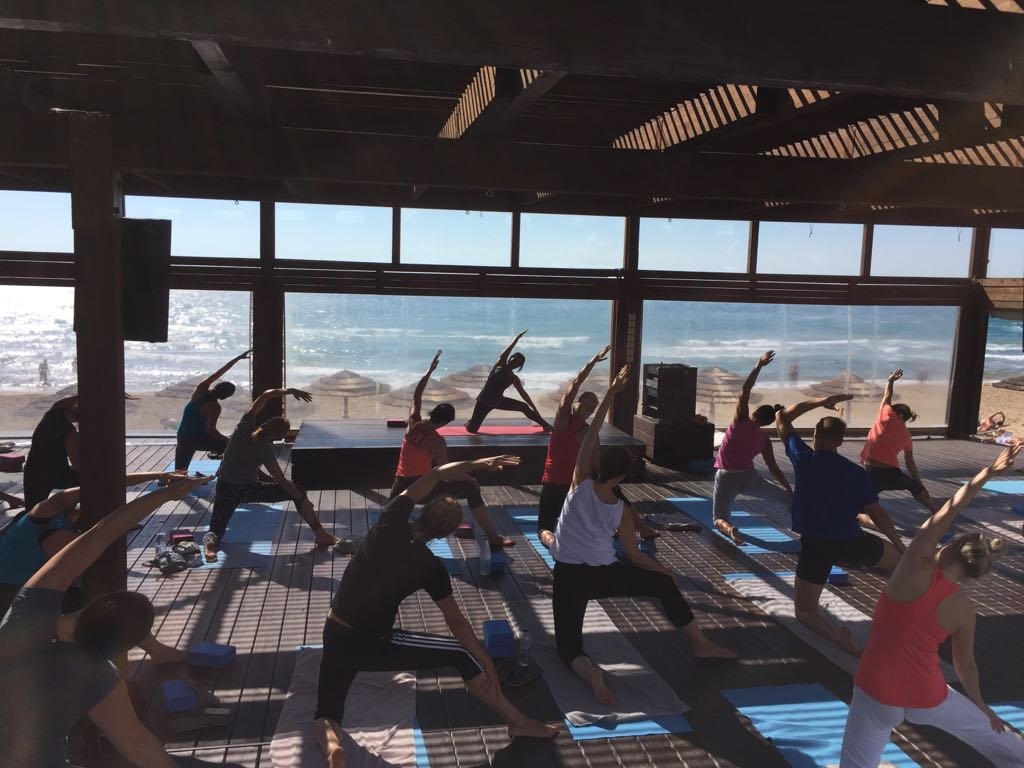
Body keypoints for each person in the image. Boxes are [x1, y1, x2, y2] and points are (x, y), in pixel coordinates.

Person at [315, 455, 558, 767]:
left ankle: (333, 743)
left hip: (334, 632)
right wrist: (486, 661)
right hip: (373, 643)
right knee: (460, 653)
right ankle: (518, 721)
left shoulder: (390, 521)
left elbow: (434, 474)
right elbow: (456, 623)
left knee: (326, 713)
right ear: (447, 533)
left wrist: (478, 463)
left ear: (423, 512)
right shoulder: (430, 567)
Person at [551, 365, 736, 706]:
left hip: (566, 574)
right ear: (621, 477)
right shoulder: (621, 510)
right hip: (604, 575)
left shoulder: (578, 485)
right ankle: (700, 643)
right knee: (662, 585)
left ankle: (590, 671)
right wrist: (666, 573)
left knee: (567, 647)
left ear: (599, 465)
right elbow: (635, 557)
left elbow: (591, 434)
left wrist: (610, 393)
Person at [0, 474, 210, 768]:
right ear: (120, 647)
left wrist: (166, 494)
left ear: (96, 603)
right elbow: (137, 745)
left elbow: (103, 532)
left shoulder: (28, 614)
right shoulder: (97, 675)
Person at [840, 444, 1024, 767]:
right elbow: (965, 666)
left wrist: (988, 473)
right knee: (995, 735)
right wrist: (982, 707)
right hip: (927, 696)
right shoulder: (964, 609)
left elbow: (948, 510)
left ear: (951, 543)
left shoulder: (914, 567)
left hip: (875, 690)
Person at [776, 393, 906, 656]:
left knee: (804, 611)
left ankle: (837, 636)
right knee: (900, 566)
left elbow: (781, 417)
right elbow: (879, 515)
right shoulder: (856, 473)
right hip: (851, 542)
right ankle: (904, 617)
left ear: (815, 435)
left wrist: (820, 400)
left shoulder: (803, 459)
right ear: (840, 441)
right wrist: (899, 544)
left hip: (816, 546)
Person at [0, 470, 186, 629]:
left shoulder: (51, 508)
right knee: (102, 605)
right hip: (9, 592)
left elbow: (109, 483)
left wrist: (160, 475)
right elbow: (93, 559)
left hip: (17, 572)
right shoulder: (65, 541)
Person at [390, 350, 513, 548]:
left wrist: (429, 372)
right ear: (446, 422)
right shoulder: (437, 443)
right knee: (471, 488)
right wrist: (469, 478)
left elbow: (416, 396)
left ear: (433, 412)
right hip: (421, 489)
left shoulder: (412, 424)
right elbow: (445, 472)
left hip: (399, 486)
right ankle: (494, 537)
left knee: (390, 526)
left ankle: (415, 531)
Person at [537, 345, 656, 548]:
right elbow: (595, 465)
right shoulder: (589, 433)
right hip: (578, 485)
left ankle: (554, 543)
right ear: (591, 409)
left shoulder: (562, 420)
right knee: (615, 493)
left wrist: (592, 361)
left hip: (553, 482)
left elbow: (575, 383)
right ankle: (640, 527)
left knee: (544, 528)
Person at [204, 387, 338, 562]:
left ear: (266, 423)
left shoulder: (244, 426)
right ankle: (321, 535)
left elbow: (265, 395)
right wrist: (302, 499)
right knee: (297, 492)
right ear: (279, 437)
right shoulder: (265, 450)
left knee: (216, 528)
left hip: (224, 487)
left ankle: (210, 546)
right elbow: (281, 480)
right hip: (247, 490)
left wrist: (290, 391)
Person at [712, 350, 793, 545]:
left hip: (726, 476)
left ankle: (730, 529)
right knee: (787, 500)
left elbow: (745, 390)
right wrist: (789, 489)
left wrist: (758, 365)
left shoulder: (740, 422)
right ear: (766, 423)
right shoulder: (765, 439)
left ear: (754, 413)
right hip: (749, 477)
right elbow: (774, 468)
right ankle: (807, 524)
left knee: (719, 518)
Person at [860, 368, 940, 514]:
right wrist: (920, 484)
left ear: (896, 413)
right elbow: (910, 463)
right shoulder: (907, 436)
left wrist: (890, 381)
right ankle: (935, 511)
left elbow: (887, 395)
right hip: (891, 474)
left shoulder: (887, 415)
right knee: (913, 486)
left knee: (863, 501)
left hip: (871, 470)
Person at [175, 349, 251, 471]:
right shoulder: (215, 407)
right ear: (225, 397)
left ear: (216, 386)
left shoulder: (199, 392)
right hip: (199, 439)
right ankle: (254, 474)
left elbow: (218, 373)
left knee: (178, 473)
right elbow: (212, 432)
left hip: (183, 437)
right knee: (235, 449)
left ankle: (170, 481)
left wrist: (237, 358)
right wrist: (229, 440)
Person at [464, 330, 551, 433]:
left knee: (523, 406)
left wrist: (534, 408)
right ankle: (469, 422)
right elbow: (508, 350)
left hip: (498, 401)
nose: (515, 363)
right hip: (484, 401)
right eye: (514, 360)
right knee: (472, 429)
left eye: (518, 363)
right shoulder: (500, 365)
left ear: (519, 366)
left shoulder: (514, 378)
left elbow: (524, 394)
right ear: (510, 359)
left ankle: (545, 425)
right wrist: (517, 338)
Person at [22, 393, 80, 509]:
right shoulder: (69, 433)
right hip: (56, 474)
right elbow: (79, 467)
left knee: (31, 513)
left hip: (33, 472)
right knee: (93, 479)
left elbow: (68, 400)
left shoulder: (53, 413)